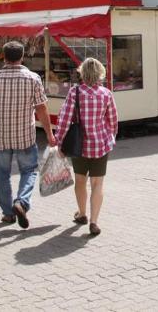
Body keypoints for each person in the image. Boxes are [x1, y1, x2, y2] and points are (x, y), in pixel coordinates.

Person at [0, 41, 55, 228]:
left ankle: (8, 214)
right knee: (29, 171)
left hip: (2, 136)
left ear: (3, 56)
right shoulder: (33, 78)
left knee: (2, 175)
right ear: (22, 56)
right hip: (25, 135)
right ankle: (22, 202)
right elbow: (42, 109)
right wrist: (50, 133)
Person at [54, 57, 118, 237]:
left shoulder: (74, 93)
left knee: (80, 180)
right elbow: (113, 120)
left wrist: (60, 141)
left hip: (78, 145)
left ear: (82, 73)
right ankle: (94, 221)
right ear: (100, 73)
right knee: (97, 183)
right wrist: (111, 136)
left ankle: (82, 213)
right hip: (100, 144)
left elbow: (64, 119)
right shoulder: (106, 93)